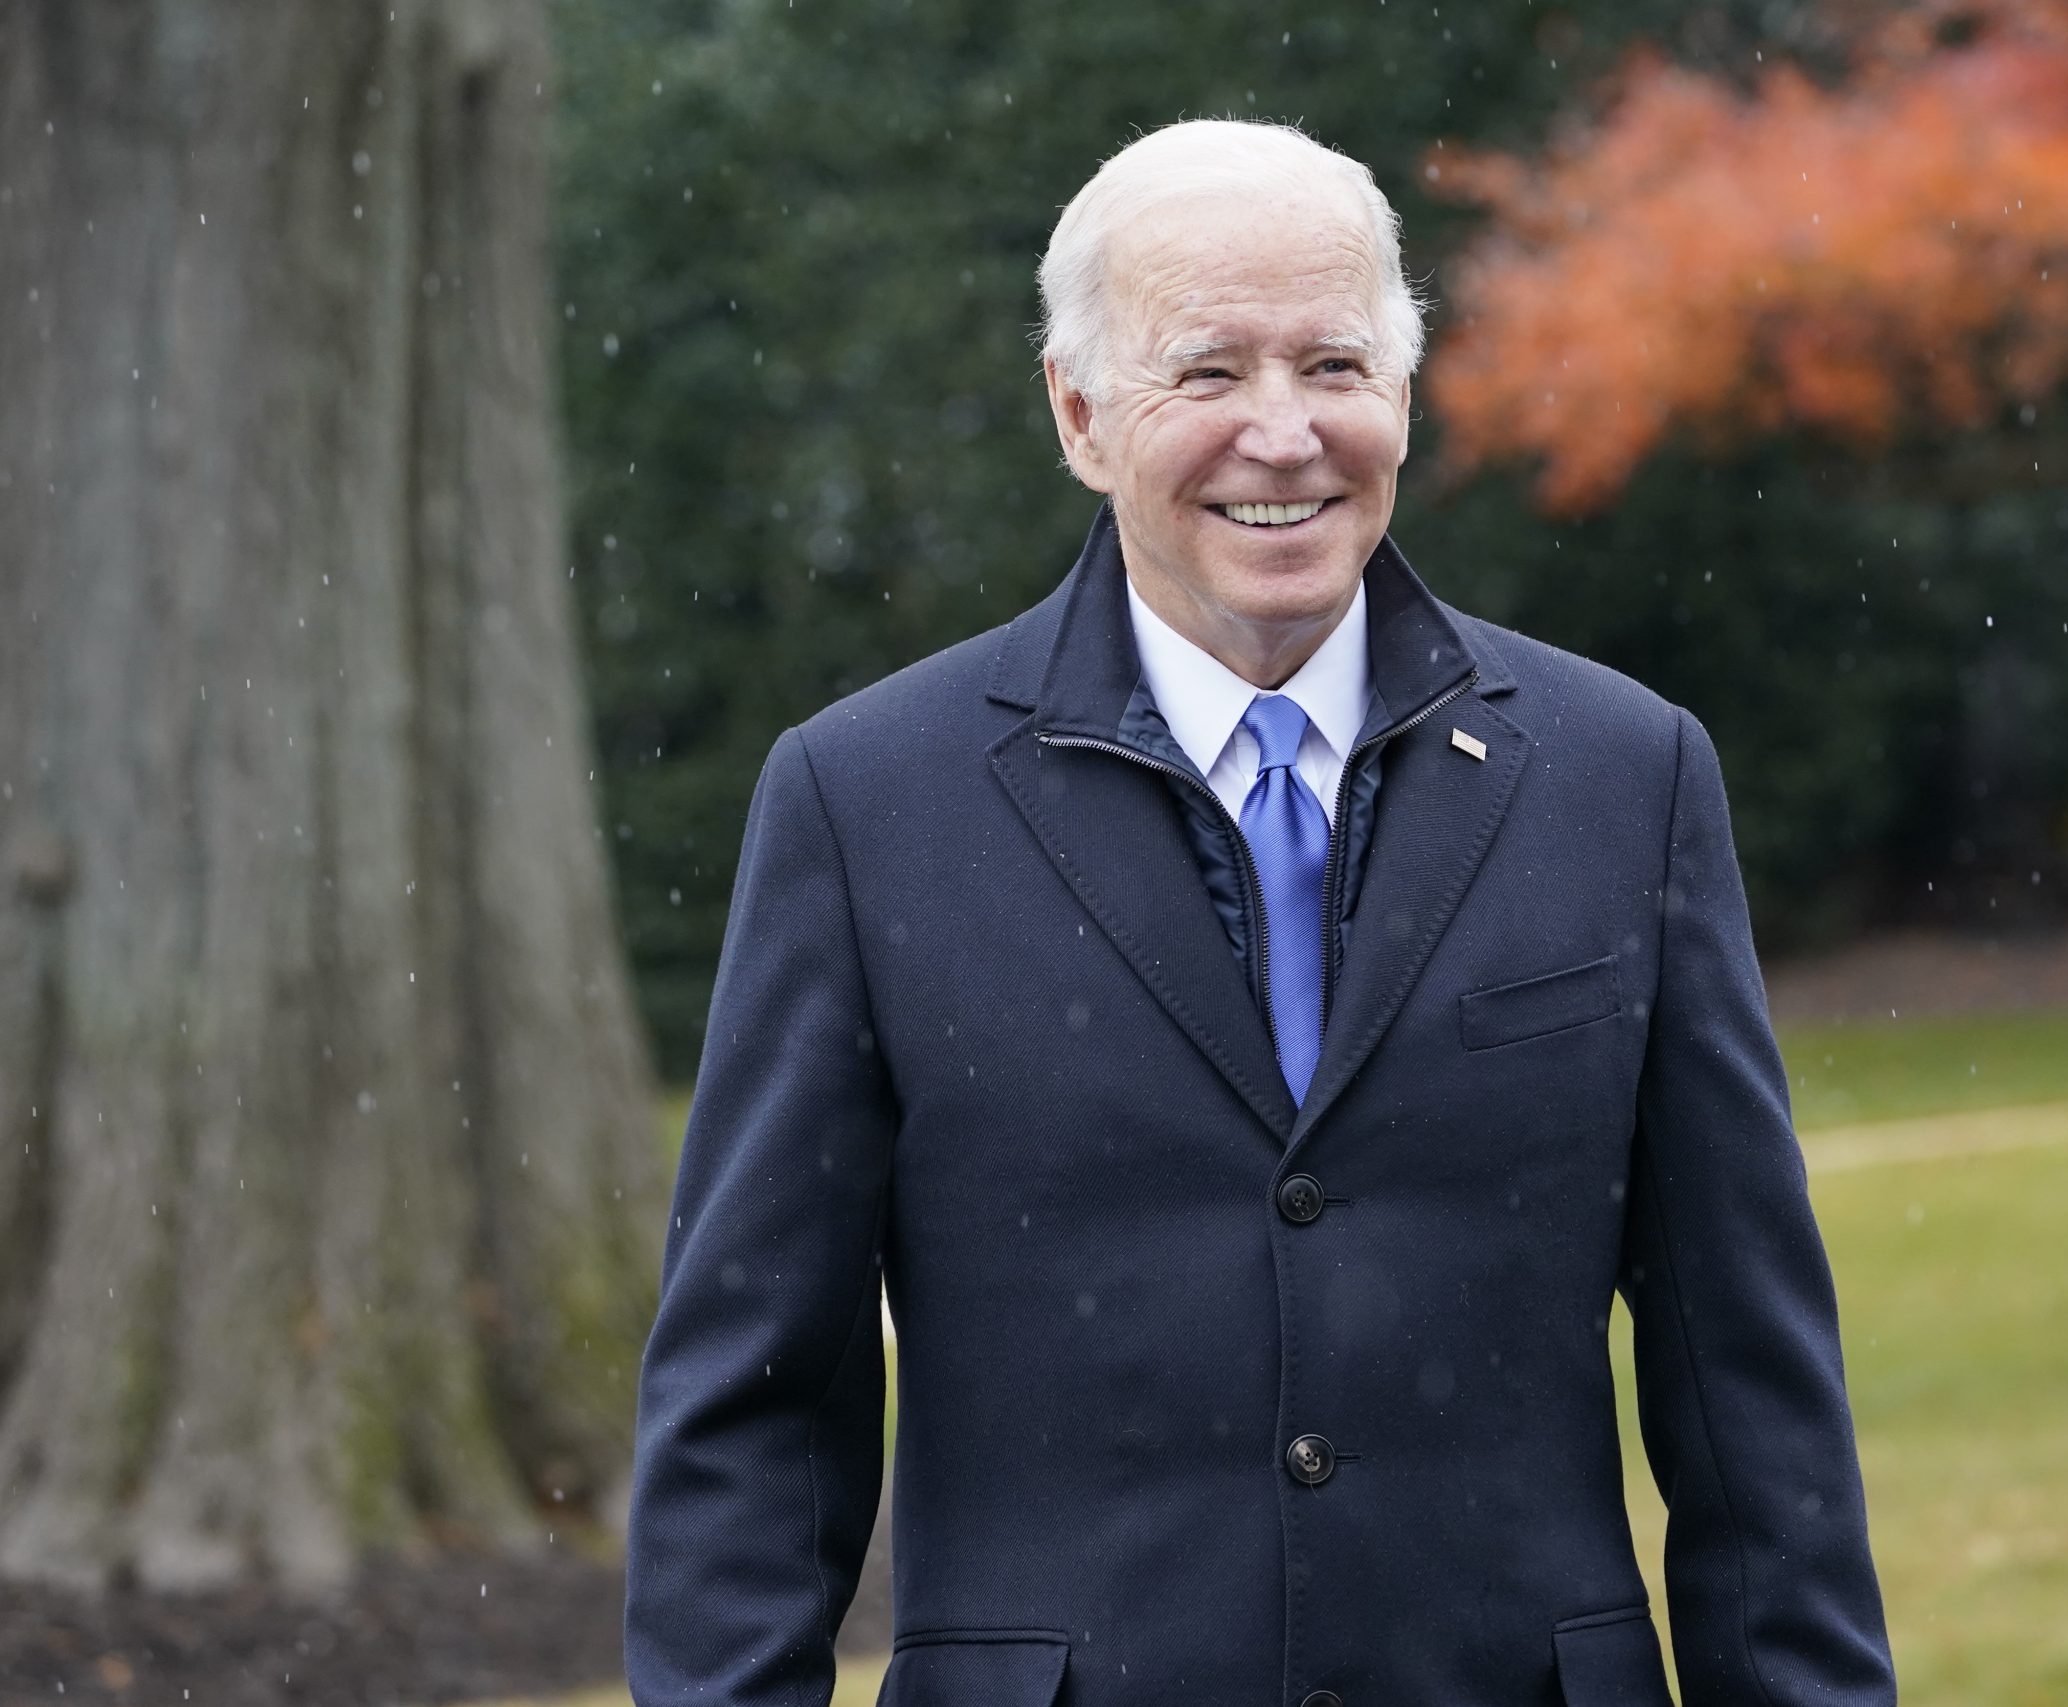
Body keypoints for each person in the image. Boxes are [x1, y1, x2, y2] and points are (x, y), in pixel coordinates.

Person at [623, 118, 1895, 1707]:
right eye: (1209, 373)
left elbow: (1750, 1388)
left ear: (1406, 400)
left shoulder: (1624, 778)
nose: (1284, 435)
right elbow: (752, 1406)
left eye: (1336, 367)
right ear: (1081, 414)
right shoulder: (865, 806)